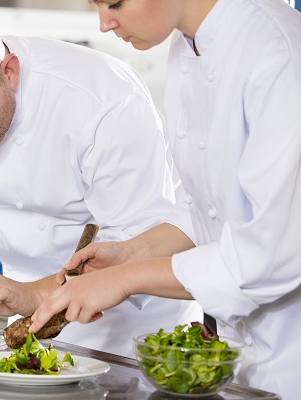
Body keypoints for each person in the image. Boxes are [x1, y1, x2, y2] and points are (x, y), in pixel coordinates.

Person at [0, 0, 202, 357]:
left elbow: (135, 239)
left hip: (130, 335)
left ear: (9, 71)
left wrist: (36, 293)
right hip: (22, 319)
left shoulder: (102, 99)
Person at [27, 0, 301, 397]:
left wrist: (126, 280)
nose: (105, 23)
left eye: (115, 2)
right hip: (245, 362)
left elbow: (275, 250)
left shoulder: (278, 51)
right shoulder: (185, 47)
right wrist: (133, 253)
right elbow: (206, 204)